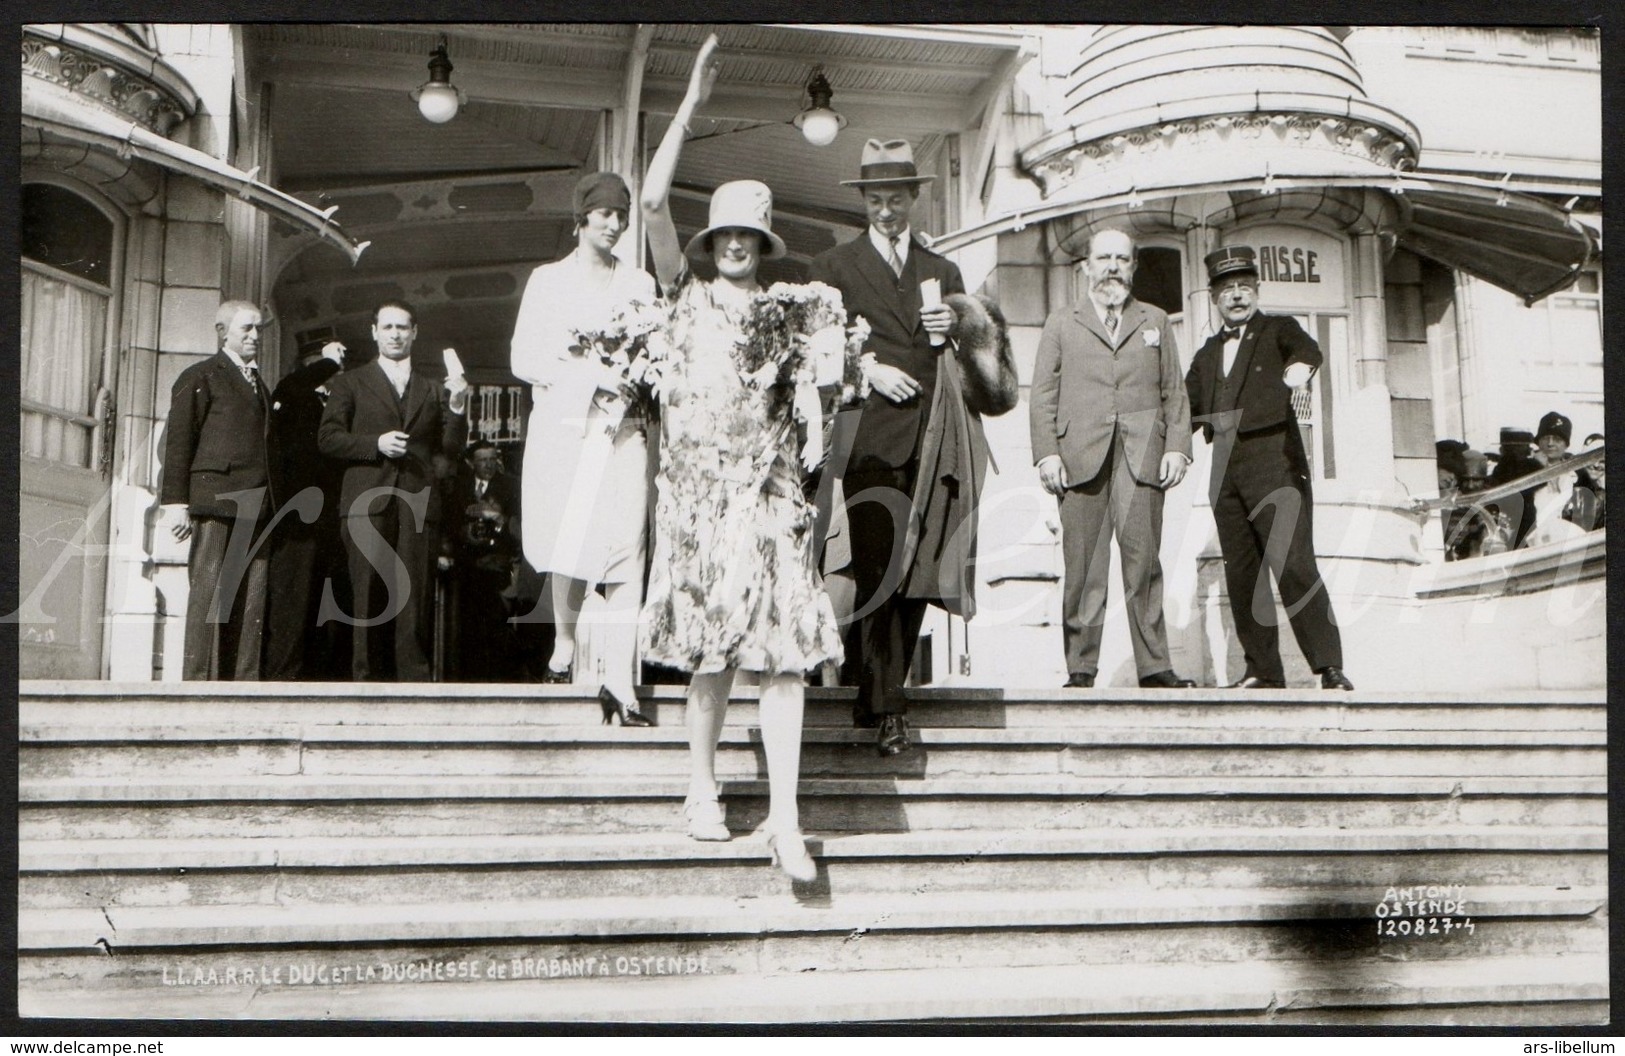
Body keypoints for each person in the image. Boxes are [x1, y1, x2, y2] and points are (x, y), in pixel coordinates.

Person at [639, 34, 844, 882]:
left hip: (768, 497)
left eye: (747, 236)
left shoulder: (789, 310)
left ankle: (785, 820)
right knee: (715, 653)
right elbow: (652, 204)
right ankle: (699, 788)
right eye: (723, 232)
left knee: (788, 651)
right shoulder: (681, 300)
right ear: (709, 242)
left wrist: (821, 399)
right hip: (698, 502)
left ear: (762, 246)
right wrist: (688, 107)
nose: (734, 244)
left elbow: (811, 402)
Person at [808, 138, 1016, 755]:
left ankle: (874, 692)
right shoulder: (834, 268)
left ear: (914, 200)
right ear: (863, 202)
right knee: (878, 565)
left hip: (934, 439)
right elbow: (816, 348)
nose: (887, 211)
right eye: (876, 199)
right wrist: (866, 369)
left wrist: (959, 326)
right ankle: (889, 706)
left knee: (919, 570)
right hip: (869, 434)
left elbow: (985, 360)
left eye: (897, 199)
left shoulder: (943, 272)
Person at [509, 170, 658, 723]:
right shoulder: (547, 281)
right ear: (581, 219)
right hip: (568, 432)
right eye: (604, 214)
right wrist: (590, 375)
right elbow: (523, 360)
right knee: (569, 543)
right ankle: (565, 643)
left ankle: (621, 684)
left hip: (622, 434)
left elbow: (653, 353)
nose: (614, 224)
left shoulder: (639, 284)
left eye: (621, 215)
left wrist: (637, 376)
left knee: (626, 551)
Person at [1029, 228, 1196, 690]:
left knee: (1145, 564)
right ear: (1085, 265)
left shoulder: (1155, 321)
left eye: (1122, 259)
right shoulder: (1062, 322)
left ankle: (1155, 666)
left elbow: (1173, 392)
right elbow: (1042, 395)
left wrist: (1178, 447)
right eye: (1103, 258)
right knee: (1084, 569)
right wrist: (1047, 455)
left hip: (1142, 456)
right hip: (1080, 457)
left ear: (1134, 266)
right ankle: (1081, 669)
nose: (1112, 268)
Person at [1184, 246, 1353, 691]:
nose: (1236, 296)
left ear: (1256, 291)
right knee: (1244, 574)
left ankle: (1329, 667)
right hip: (1225, 471)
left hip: (1275, 460)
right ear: (1214, 298)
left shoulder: (1279, 329)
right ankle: (1263, 669)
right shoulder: (1205, 354)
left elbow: (1307, 351)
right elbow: (1183, 408)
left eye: (1244, 287)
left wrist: (1298, 371)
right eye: (1227, 290)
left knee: (1294, 564)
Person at [317, 300, 469, 681]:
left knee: (414, 594)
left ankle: (414, 684)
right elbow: (328, 438)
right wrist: (375, 444)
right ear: (374, 332)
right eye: (388, 327)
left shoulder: (432, 389)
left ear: (415, 332)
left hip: (417, 502)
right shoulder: (349, 382)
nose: (396, 334)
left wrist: (457, 404)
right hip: (365, 501)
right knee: (365, 593)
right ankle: (365, 682)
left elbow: (449, 449)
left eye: (403, 327)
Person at [159, 300, 278, 680]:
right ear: (222, 332)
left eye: (259, 329)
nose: (255, 337)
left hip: (256, 505)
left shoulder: (260, 384)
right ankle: (198, 683)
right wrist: (176, 504)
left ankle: (243, 682)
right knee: (209, 594)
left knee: (251, 599)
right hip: (215, 502)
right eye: (247, 329)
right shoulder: (200, 376)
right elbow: (177, 443)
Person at [264, 337, 348, 680]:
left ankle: (319, 677)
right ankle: (283, 677)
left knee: (325, 602)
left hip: (333, 519)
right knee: (292, 600)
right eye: (322, 364)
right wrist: (326, 364)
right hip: (297, 518)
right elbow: (293, 388)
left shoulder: (337, 400)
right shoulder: (294, 392)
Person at [439, 441, 523, 681]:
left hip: (498, 568)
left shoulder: (510, 486)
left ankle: (497, 681)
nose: (488, 464)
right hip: (467, 570)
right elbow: (450, 523)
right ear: (471, 463)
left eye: (492, 459)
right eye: (482, 460)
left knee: (497, 629)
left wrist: (496, 518)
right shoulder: (459, 488)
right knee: (468, 630)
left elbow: (518, 526)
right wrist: (464, 534)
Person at [1486, 427, 1542, 548]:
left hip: (1528, 520)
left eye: (1518, 448)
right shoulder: (1500, 469)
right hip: (1506, 521)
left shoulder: (1534, 468)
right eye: (1510, 448)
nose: (1515, 453)